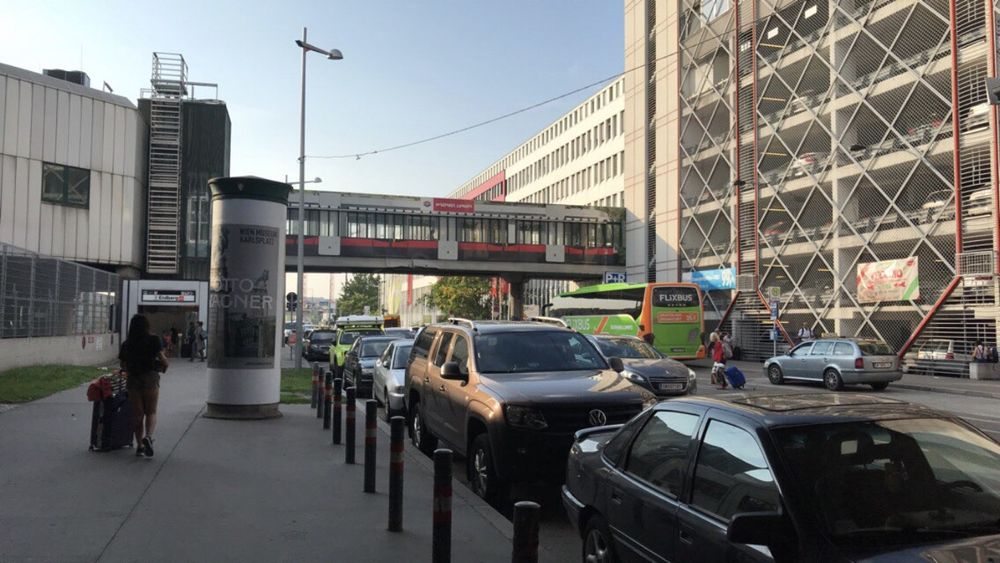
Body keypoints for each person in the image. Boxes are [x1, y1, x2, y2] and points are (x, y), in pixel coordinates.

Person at [120, 314, 169, 457]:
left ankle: (139, 446)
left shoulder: (127, 344)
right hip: (150, 378)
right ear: (147, 326)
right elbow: (164, 361)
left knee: (138, 414)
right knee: (151, 412)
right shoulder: (154, 340)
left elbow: (123, 365)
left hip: (133, 380)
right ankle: (148, 437)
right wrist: (164, 367)